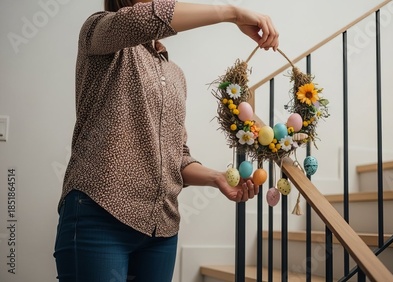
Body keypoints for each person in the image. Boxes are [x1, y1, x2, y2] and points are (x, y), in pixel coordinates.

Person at [53, 0, 279, 281]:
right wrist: (231, 13)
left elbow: (177, 156)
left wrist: (216, 178)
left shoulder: (174, 74)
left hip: (161, 229)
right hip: (99, 215)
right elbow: (146, 17)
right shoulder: (99, 32)